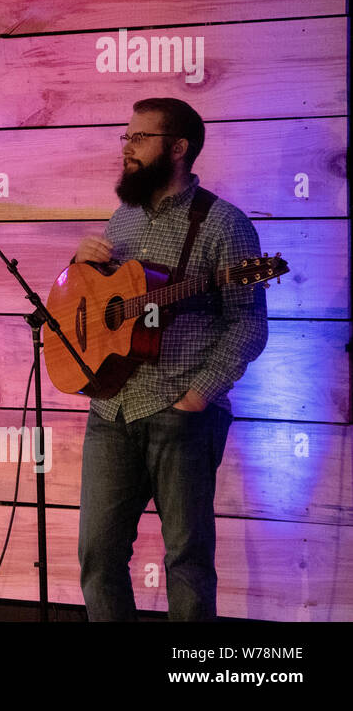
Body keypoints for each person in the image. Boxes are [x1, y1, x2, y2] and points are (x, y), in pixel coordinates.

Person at [73, 98, 267, 621]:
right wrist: (77, 269)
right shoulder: (123, 218)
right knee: (98, 557)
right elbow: (95, 305)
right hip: (111, 410)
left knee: (187, 563)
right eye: (126, 137)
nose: (127, 148)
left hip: (181, 415)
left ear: (177, 148)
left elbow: (249, 324)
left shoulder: (226, 224)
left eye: (139, 138)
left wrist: (198, 395)